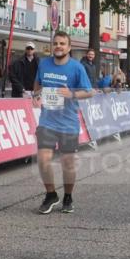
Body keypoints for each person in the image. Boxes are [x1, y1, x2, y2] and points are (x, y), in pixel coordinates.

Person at [32, 31, 94, 214]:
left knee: (68, 163)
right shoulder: (44, 64)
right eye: (56, 43)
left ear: (69, 47)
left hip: (68, 123)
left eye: (62, 43)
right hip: (47, 121)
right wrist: (35, 95)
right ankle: (51, 194)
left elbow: (89, 92)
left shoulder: (76, 68)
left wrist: (72, 94)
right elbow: (37, 84)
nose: (58, 46)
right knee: (43, 159)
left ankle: (68, 196)